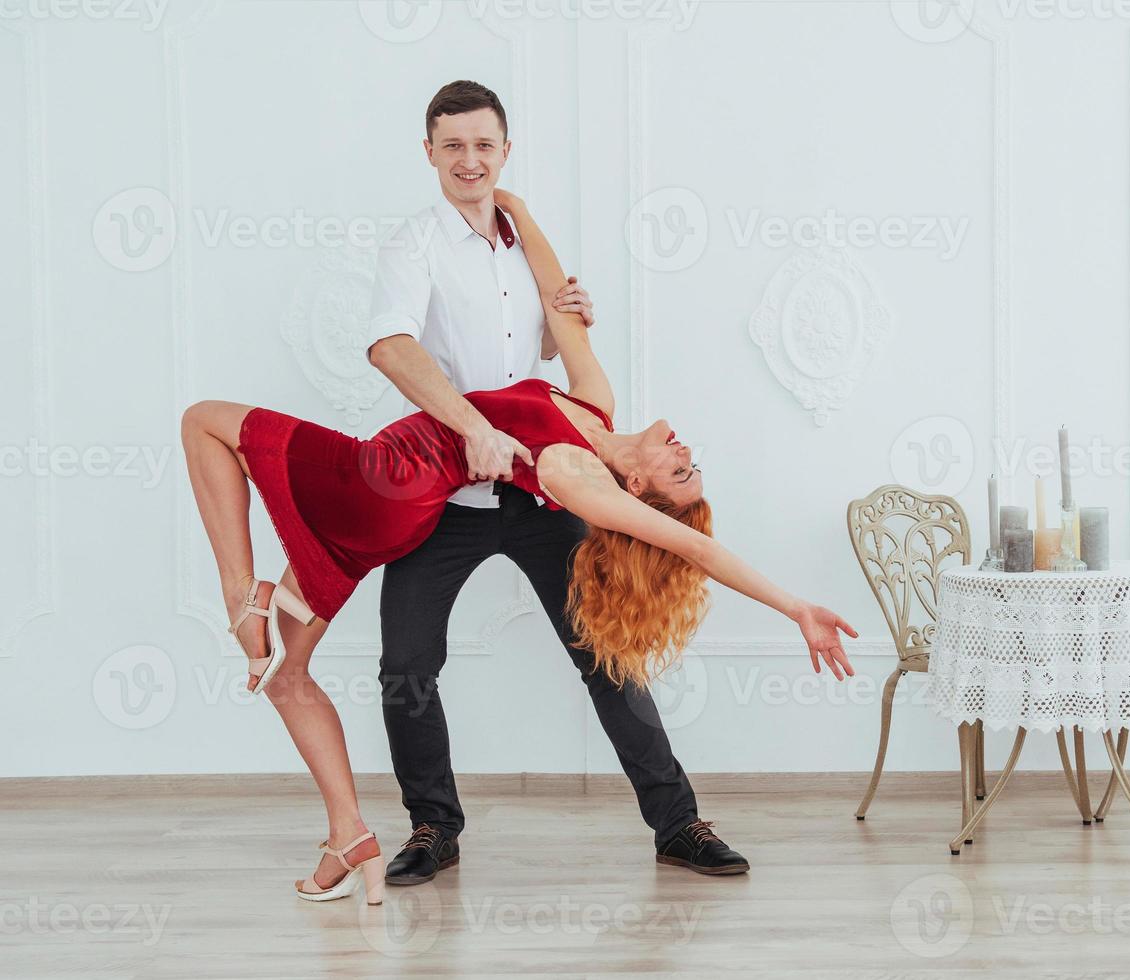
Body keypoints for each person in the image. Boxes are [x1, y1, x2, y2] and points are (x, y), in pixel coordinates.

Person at [180, 102, 858, 903]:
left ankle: (677, 823)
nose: (471, 159)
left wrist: (794, 606)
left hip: (537, 501)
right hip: (438, 499)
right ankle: (433, 827)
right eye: (456, 146)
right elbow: (429, 335)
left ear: (505, 149)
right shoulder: (560, 371)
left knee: (605, 660)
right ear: (430, 150)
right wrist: (523, 212)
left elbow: (696, 548)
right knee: (405, 667)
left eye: (486, 146)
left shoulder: (585, 478)